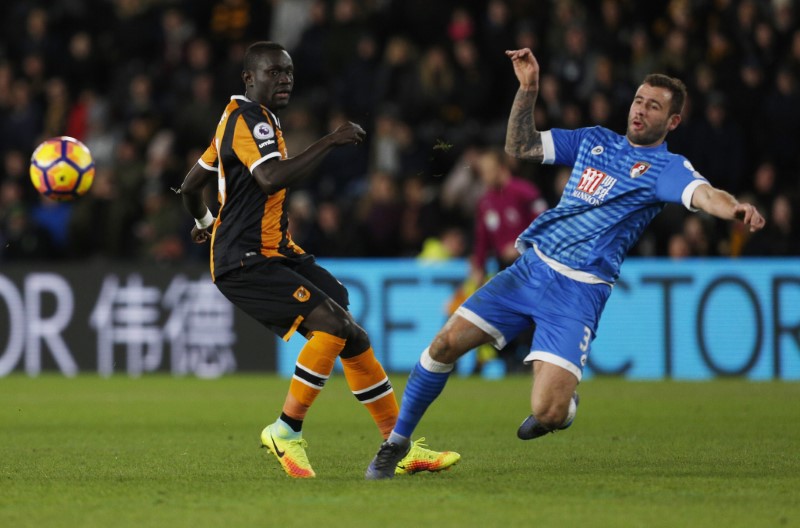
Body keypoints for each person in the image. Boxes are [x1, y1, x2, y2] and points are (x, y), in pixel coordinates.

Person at [365, 47, 766, 480]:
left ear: (672, 122)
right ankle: (395, 444)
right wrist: (529, 89)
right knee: (444, 345)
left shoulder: (666, 168)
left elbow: (705, 194)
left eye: (654, 106)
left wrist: (735, 208)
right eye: (638, 100)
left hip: (578, 292)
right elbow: (520, 145)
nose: (641, 110)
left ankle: (563, 406)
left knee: (548, 411)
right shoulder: (594, 140)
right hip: (530, 270)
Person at [179, 41, 459, 479]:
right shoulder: (247, 119)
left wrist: (203, 219)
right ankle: (285, 431)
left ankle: (396, 445)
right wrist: (330, 141)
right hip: (244, 260)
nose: (285, 79)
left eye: (288, 72)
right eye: (274, 72)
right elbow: (269, 179)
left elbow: (194, 181)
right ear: (249, 79)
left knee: (351, 332)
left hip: (275, 251)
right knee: (331, 323)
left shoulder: (242, 119)